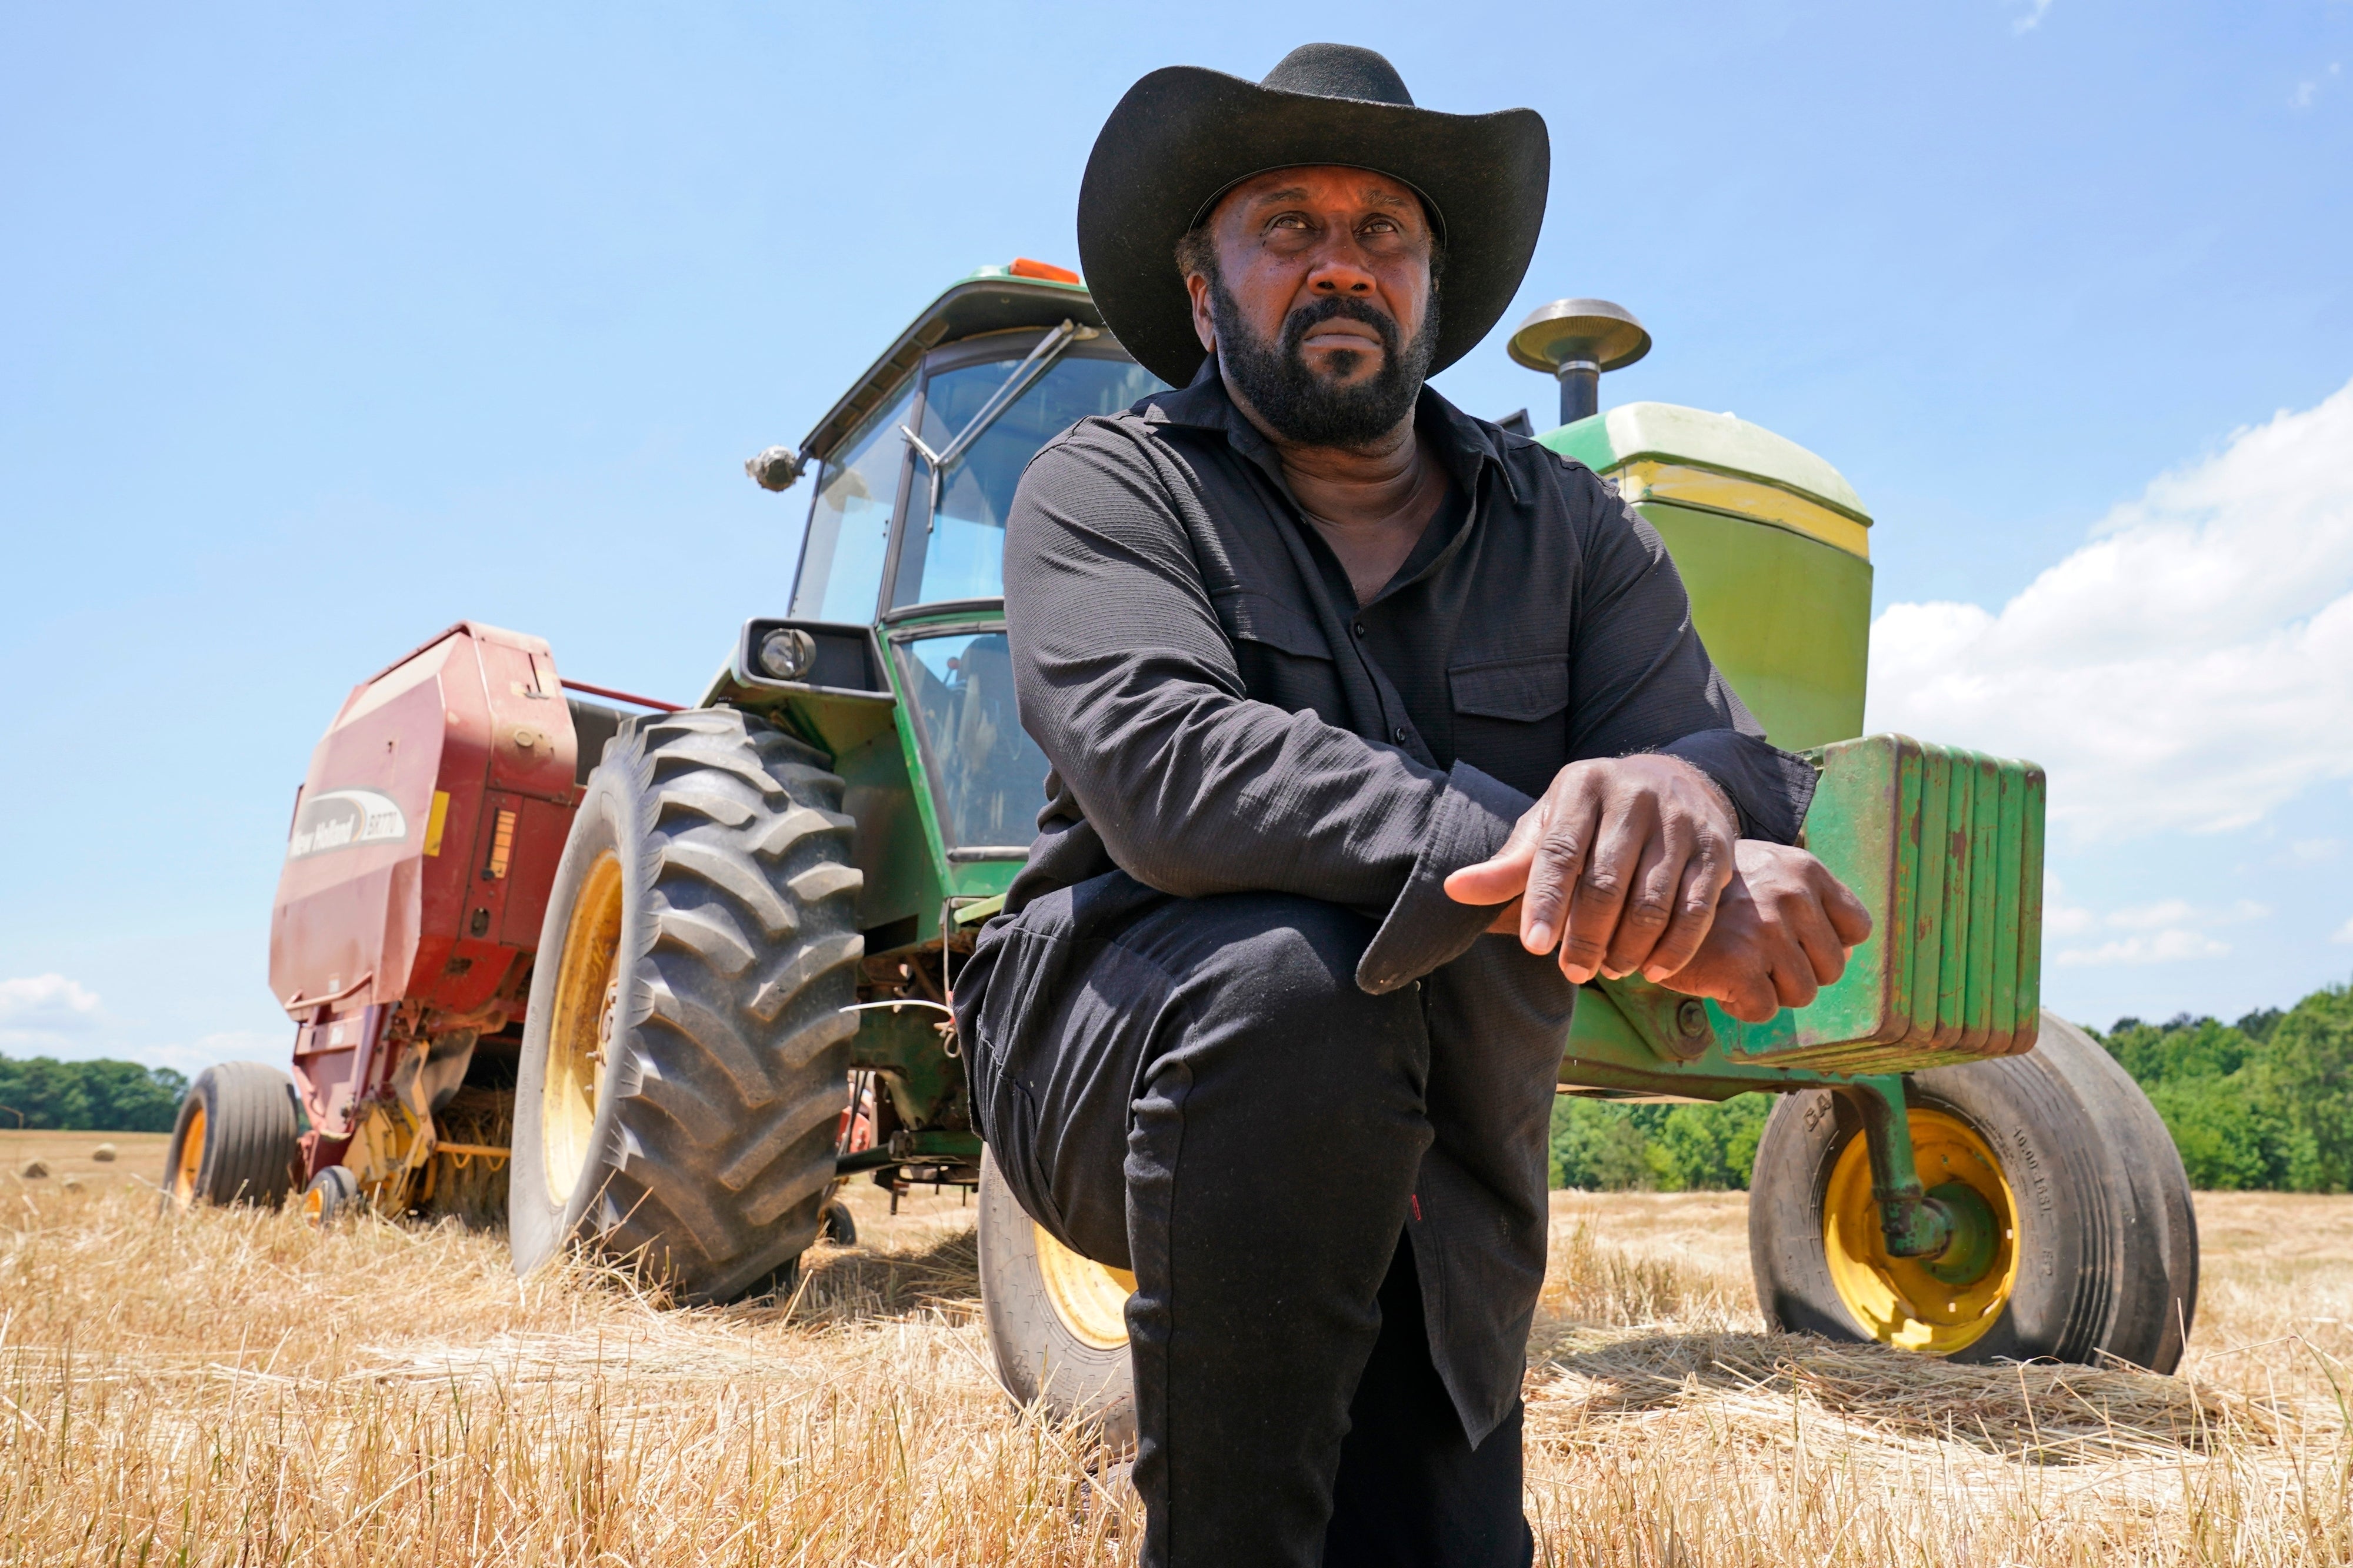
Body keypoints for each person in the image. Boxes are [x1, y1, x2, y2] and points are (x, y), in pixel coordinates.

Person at [950, 43, 1872, 1568]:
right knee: (1298, 991)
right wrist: (1570, 860)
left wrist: (1671, 800)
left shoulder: (1571, 530)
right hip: (1123, 1053)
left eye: (1384, 231)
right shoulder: (1110, 485)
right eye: (1288, 226)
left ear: (1433, 289)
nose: (1342, 264)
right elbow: (1165, 759)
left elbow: (1727, 758)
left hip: (1452, 1146)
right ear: (1203, 289)